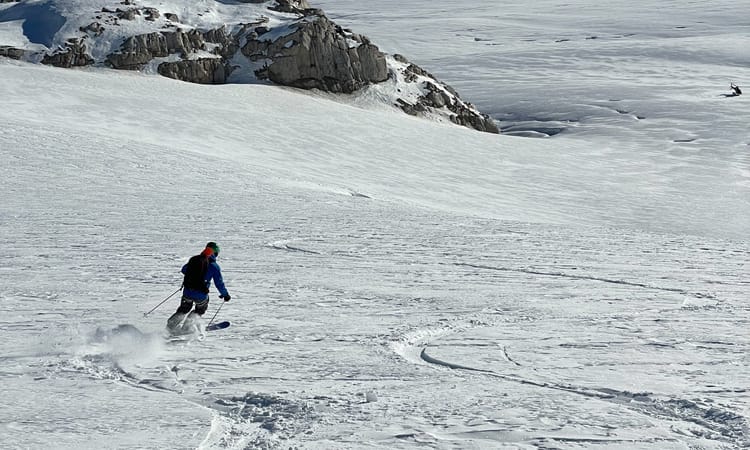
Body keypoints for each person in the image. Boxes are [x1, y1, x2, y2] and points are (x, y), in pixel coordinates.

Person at [167, 242, 231, 333]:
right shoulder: (214, 266)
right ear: (215, 253)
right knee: (200, 310)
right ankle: (187, 327)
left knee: (184, 309)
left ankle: (171, 325)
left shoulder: (195, 260)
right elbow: (219, 283)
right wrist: (225, 295)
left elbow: (184, 269)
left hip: (187, 292)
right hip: (201, 295)